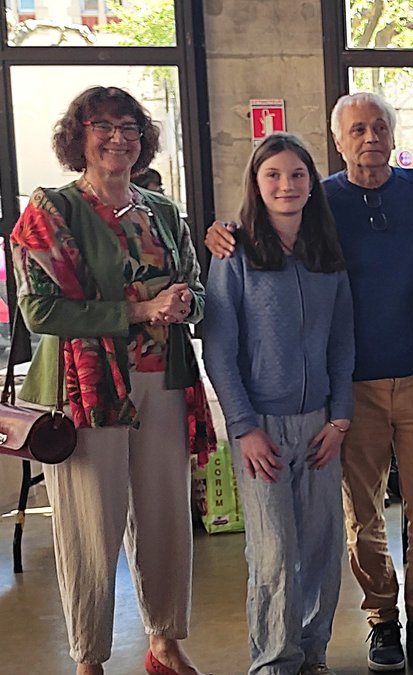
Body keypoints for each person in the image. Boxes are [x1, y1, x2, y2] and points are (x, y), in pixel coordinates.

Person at [207, 92, 413, 671]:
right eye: (357, 129)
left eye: (379, 127)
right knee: (360, 513)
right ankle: (382, 618)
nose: (370, 138)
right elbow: (265, 225)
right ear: (338, 140)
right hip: (351, 390)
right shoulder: (320, 200)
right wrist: (221, 232)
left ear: (392, 134)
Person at [10, 86, 210, 675]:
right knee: (90, 529)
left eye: (129, 127)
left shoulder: (164, 212)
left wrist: (184, 304)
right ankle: (89, 657)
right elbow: (39, 311)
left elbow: (198, 291)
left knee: (166, 520)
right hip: (87, 389)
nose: (118, 137)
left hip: (163, 381)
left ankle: (165, 643)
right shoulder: (53, 209)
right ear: (79, 137)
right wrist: (141, 310)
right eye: (103, 126)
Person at [203, 133, 354, 675]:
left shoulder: (327, 255)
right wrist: (244, 427)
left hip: (320, 426)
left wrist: (340, 417)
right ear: (256, 183)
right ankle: (273, 661)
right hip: (260, 426)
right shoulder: (234, 252)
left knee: (320, 548)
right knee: (273, 553)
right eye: (273, 175)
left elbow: (342, 341)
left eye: (297, 174)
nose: (286, 185)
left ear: (312, 184)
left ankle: (312, 654)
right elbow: (219, 348)